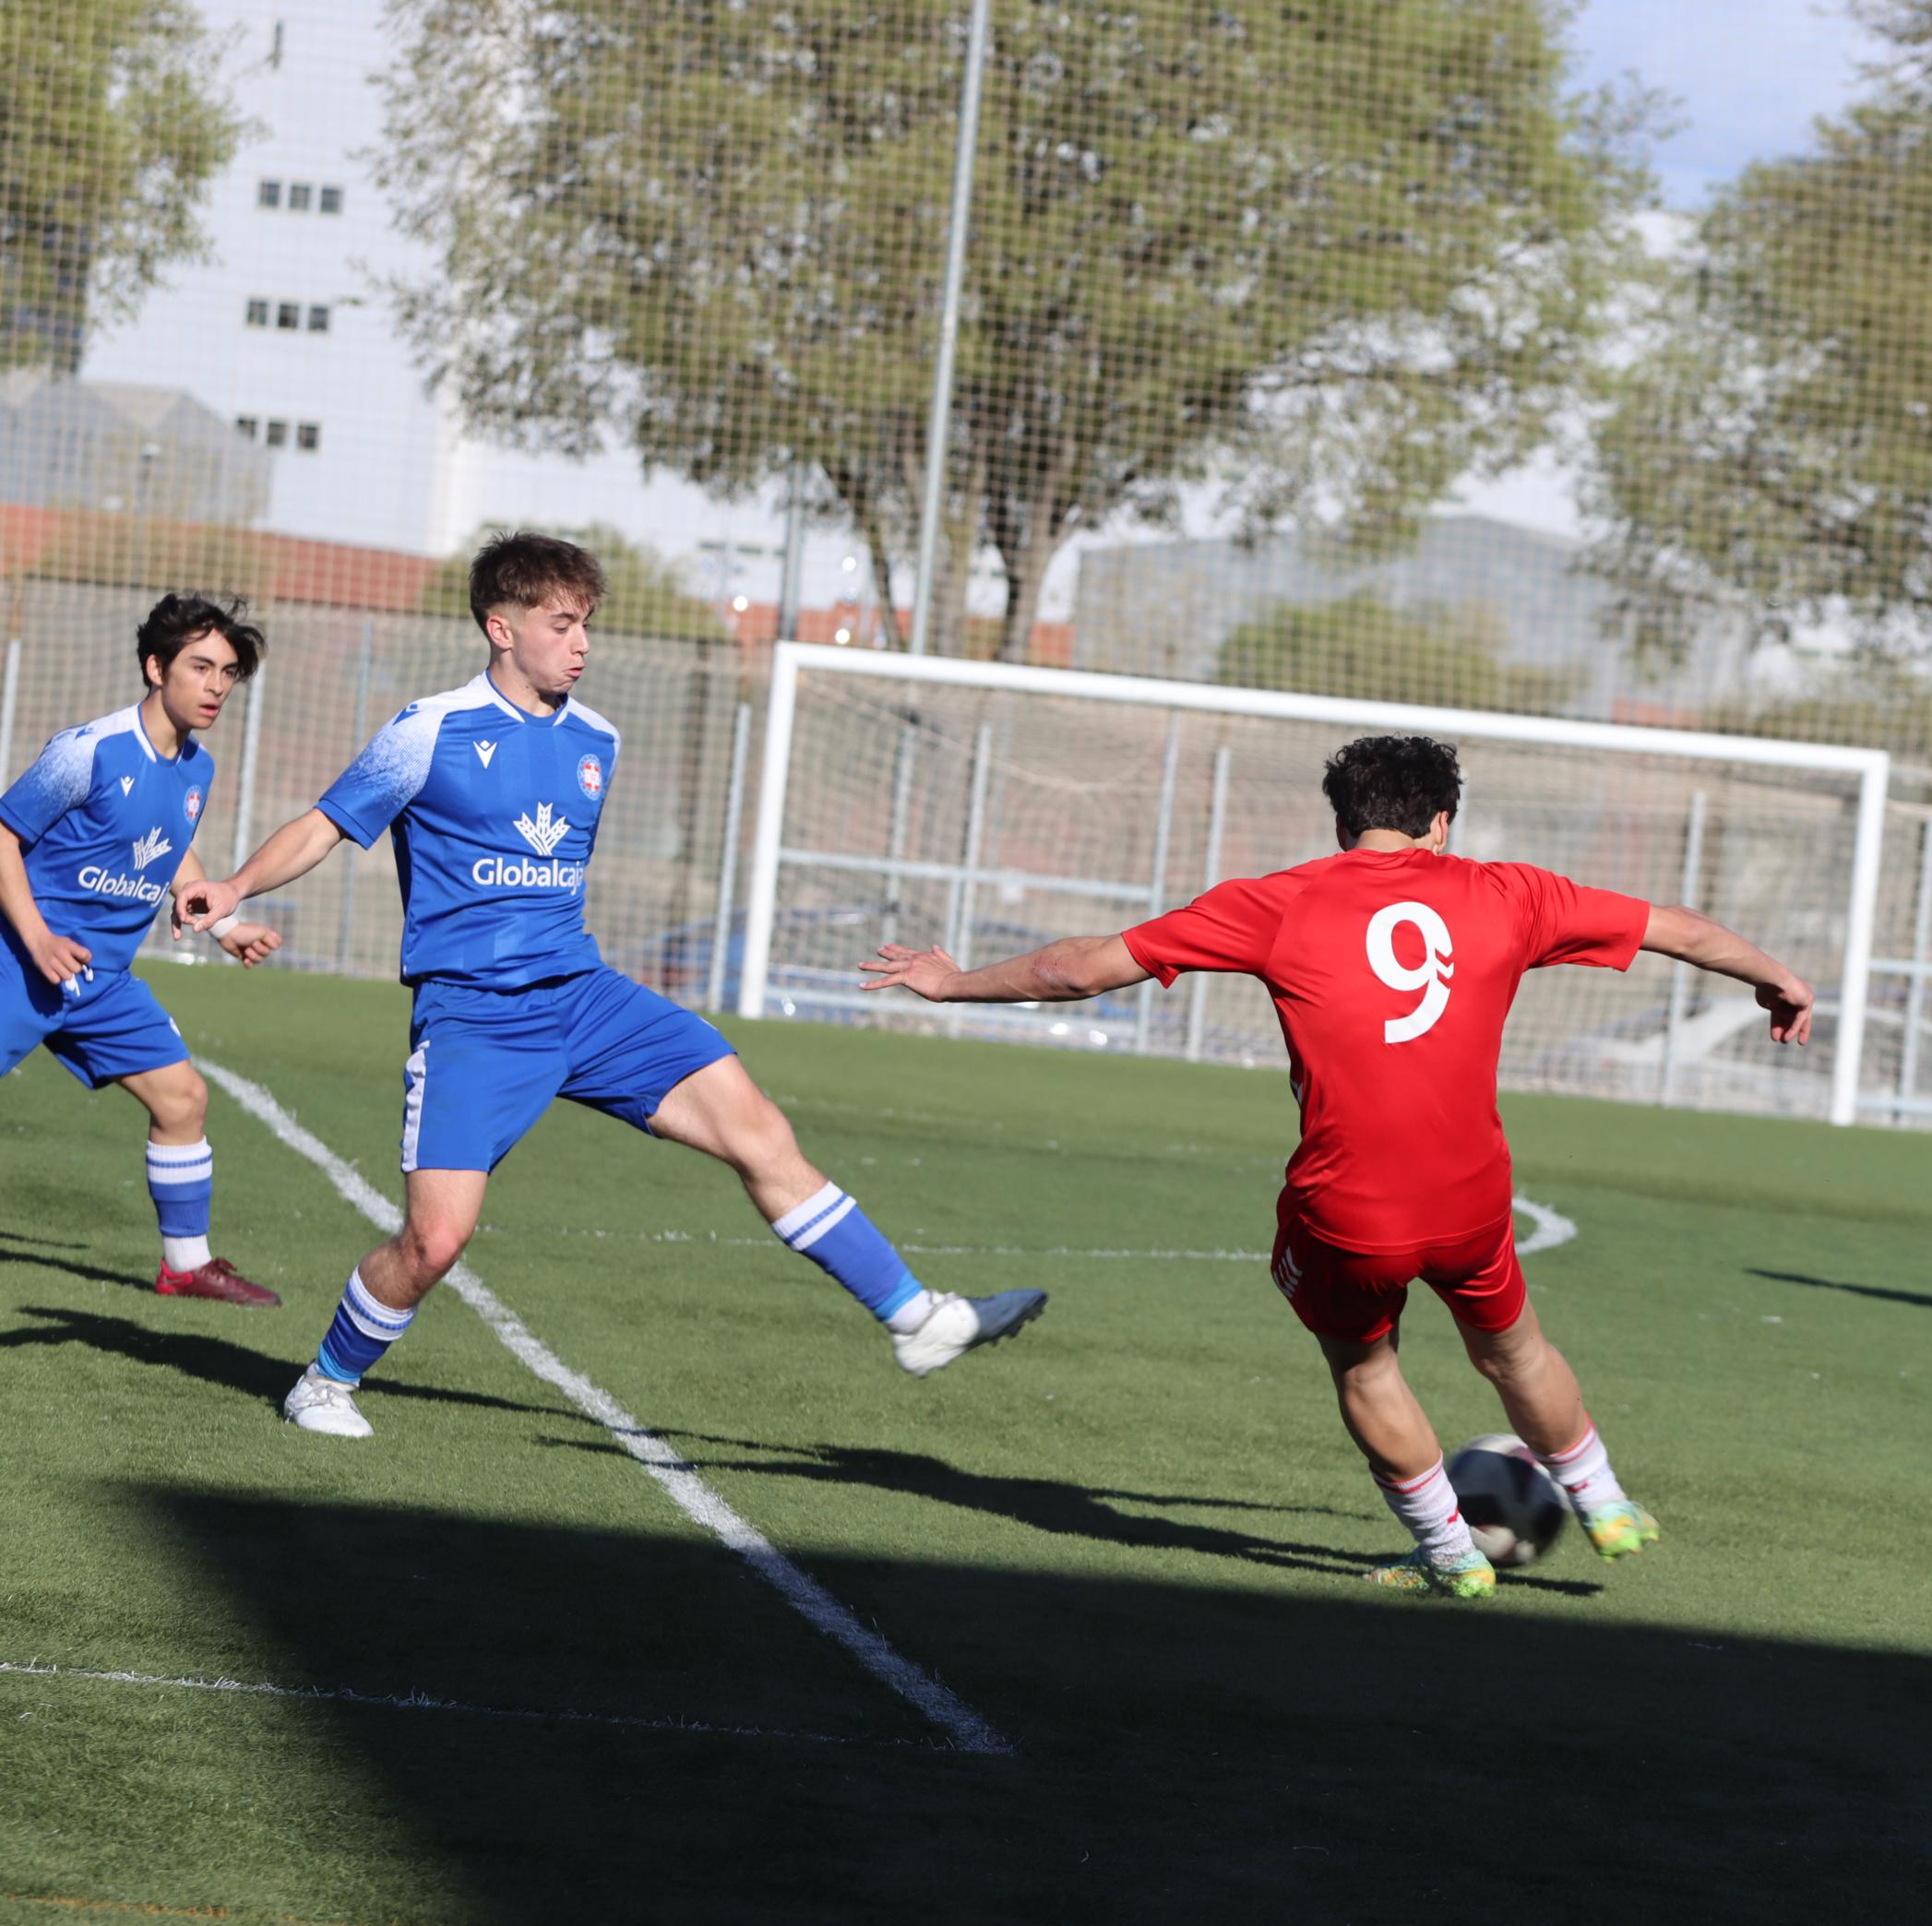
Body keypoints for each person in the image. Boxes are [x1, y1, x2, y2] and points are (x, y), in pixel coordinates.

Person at [860, 732, 1819, 1599]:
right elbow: (1679, 927)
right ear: (1441, 823)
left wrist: (951, 982)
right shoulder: (1511, 894)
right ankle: (1603, 1501)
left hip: (1349, 1203)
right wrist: (1775, 976)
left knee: (1365, 1366)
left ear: (1343, 822)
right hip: (1474, 1194)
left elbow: (1076, 969)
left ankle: (1451, 1556)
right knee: (1514, 1349)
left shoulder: (1278, 902)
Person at [179, 532, 1042, 1438]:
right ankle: (325, 1381)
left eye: (586, 623)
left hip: (586, 997)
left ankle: (915, 1316)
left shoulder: (598, 739)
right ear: (501, 628)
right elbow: (323, 825)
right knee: (435, 1241)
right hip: (475, 1017)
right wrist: (234, 888)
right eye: (562, 624)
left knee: (758, 1131)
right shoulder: (430, 729)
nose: (582, 643)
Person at [2, 594, 285, 1305]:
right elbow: (3, 838)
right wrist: (37, 939)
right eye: (200, 667)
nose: (217, 686)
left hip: (103, 981)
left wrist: (223, 924)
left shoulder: (197, 768)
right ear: (156, 668)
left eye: (227, 672)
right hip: (19, 961)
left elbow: (166, 847)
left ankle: (186, 1267)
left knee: (183, 1098)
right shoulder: (88, 751)